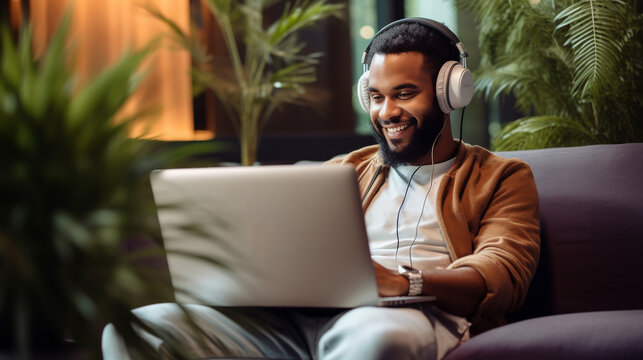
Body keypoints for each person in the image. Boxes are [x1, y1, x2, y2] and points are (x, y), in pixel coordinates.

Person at [102, 17, 540, 360]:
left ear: (450, 94)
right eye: (376, 95)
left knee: (377, 339)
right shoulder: (343, 170)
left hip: (410, 316)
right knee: (137, 329)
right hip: (297, 321)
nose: (387, 112)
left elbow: (502, 275)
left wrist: (404, 284)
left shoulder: (500, 176)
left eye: (405, 94)